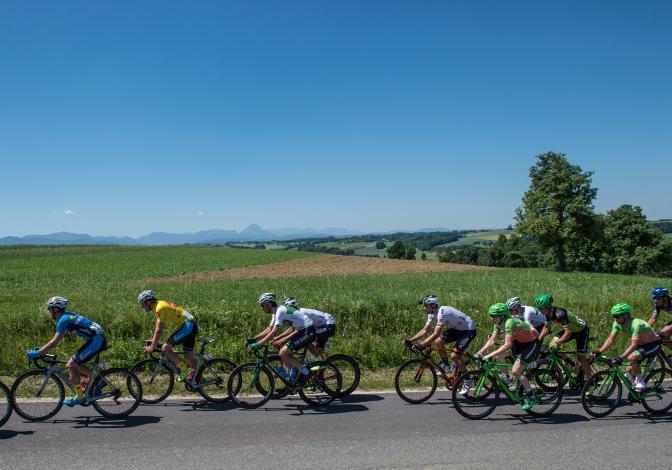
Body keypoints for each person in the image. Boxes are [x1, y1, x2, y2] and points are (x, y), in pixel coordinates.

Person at [27, 296, 106, 407]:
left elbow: (53, 343)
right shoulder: (66, 317)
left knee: (71, 365)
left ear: (55, 309)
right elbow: (53, 342)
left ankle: (80, 397)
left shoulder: (63, 320)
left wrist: (37, 353)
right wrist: (42, 349)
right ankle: (99, 382)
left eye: (49, 309)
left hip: (96, 340)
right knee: (74, 364)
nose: (48, 311)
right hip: (95, 338)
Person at [475, 303, 541, 411]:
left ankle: (531, 395)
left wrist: (488, 355)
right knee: (499, 356)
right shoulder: (498, 323)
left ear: (502, 316)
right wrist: (480, 352)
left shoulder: (509, 322)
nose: (492, 319)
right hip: (519, 342)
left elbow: (507, 345)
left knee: (516, 371)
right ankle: (507, 380)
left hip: (531, 343)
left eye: (494, 316)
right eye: (491, 316)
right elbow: (492, 340)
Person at [405, 295, 477, 385]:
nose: (424, 308)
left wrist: (422, 344)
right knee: (438, 341)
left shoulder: (442, 312)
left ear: (433, 305)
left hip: (468, 330)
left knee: (454, 355)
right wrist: (410, 341)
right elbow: (424, 330)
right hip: (457, 329)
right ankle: (446, 366)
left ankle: (468, 380)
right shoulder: (431, 314)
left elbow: (436, 333)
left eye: (425, 306)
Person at [249, 293, 315, 386]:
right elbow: (269, 329)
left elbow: (273, 332)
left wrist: (258, 344)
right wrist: (253, 339)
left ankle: (306, 372)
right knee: (280, 349)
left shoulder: (280, 311)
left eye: (262, 305)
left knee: (283, 352)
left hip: (307, 330)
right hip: (300, 330)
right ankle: (293, 373)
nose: (261, 308)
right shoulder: (275, 312)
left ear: (269, 304)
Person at [595, 303, 661, 392]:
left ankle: (641, 382)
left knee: (632, 358)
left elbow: (633, 345)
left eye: (617, 316)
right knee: (629, 370)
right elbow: (610, 340)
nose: (615, 319)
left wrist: (620, 358)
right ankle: (637, 391)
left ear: (626, 316)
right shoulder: (616, 324)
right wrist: (599, 352)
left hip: (653, 344)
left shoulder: (636, 324)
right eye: (614, 316)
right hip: (640, 345)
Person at [138, 290, 197, 383]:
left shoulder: (159, 308)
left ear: (148, 302)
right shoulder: (159, 304)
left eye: (143, 304)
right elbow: (158, 329)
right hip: (190, 325)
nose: (143, 307)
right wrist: (154, 342)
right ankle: (198, 379)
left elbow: (159, 330)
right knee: (188, 356)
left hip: (188, 326)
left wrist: (152, 347)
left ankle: (185, 370)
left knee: (165, 348)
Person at [535, 294, 592, 380]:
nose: (540, 311)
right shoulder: (548, 313)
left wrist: (558, 342)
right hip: (571, 330)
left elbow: (568, 332)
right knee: (551, 345)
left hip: (581, 331)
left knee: (581, 358)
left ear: (548, 306)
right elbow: (546, 327)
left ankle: (590, 380)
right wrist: (538, 340)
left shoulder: (560, 314)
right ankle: (570, 363)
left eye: (541, 308)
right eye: (539, 309)